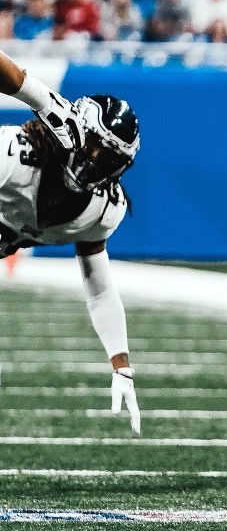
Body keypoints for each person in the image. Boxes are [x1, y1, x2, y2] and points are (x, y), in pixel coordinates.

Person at [0, 50, 141, 432]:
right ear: (77, 133)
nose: (95, 161)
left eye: (108, 158)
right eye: (94, 146)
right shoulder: (15, 155)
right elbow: (14, 77)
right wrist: (38, 96)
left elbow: (99, 288)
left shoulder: (102, 208)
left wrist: (121, 364)